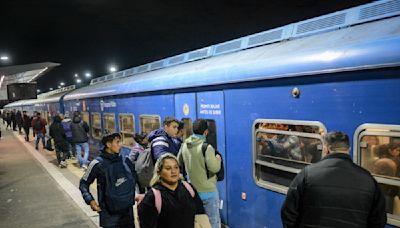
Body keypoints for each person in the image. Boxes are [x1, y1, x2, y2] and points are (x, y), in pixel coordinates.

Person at [281, 131, 386, 228]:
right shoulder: (368, 179)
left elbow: (289, 212)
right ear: (348, 149)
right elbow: (379, 219)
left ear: (326, 149)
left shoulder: (307, 173)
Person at [79, 133, 137, 228]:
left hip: (127, 212)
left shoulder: (125, 161)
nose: (120, 144)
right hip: (109, 215)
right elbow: (83, 183)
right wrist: (90, 200)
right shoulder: (97, 164)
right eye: (117, 142)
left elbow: (134, 179)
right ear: (108, 144)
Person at [138, 153, 207, 228]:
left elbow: (201, 215)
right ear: (159, 172)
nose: (173, 171)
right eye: (168, 168)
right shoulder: (152, 197)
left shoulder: (188, 188)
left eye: (176, 167)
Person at [178, 118, 221, 228]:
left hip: (192, 191)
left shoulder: (184, 145)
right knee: (213, 222)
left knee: (198, 222)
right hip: (208, 192)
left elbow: (178, 162)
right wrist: (218, 160)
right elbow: (214, 168)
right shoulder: (206, 147)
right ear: (205, 132)